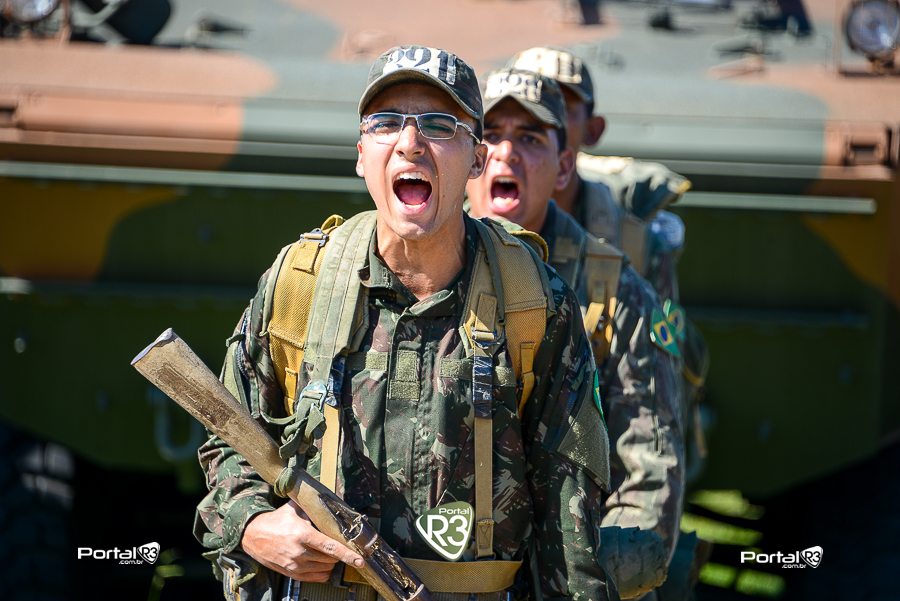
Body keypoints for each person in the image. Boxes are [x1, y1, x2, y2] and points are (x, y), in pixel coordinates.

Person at [194, 45, 617, 601]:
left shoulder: (534, 302)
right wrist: (251, 522)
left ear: (476, 160)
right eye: (386, 123)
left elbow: (570, 531)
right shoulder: (301, 282)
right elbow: (228, 438)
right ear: (361, 154)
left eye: (440, 125)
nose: (410, 142)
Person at [466, 68, 684, 600]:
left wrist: (574, 581)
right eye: (491, 135)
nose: (506, 153)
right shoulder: (421, 268)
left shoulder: (617, 295)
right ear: (469, 156)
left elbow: (649, 483)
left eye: (530, 138)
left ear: (564, 166)